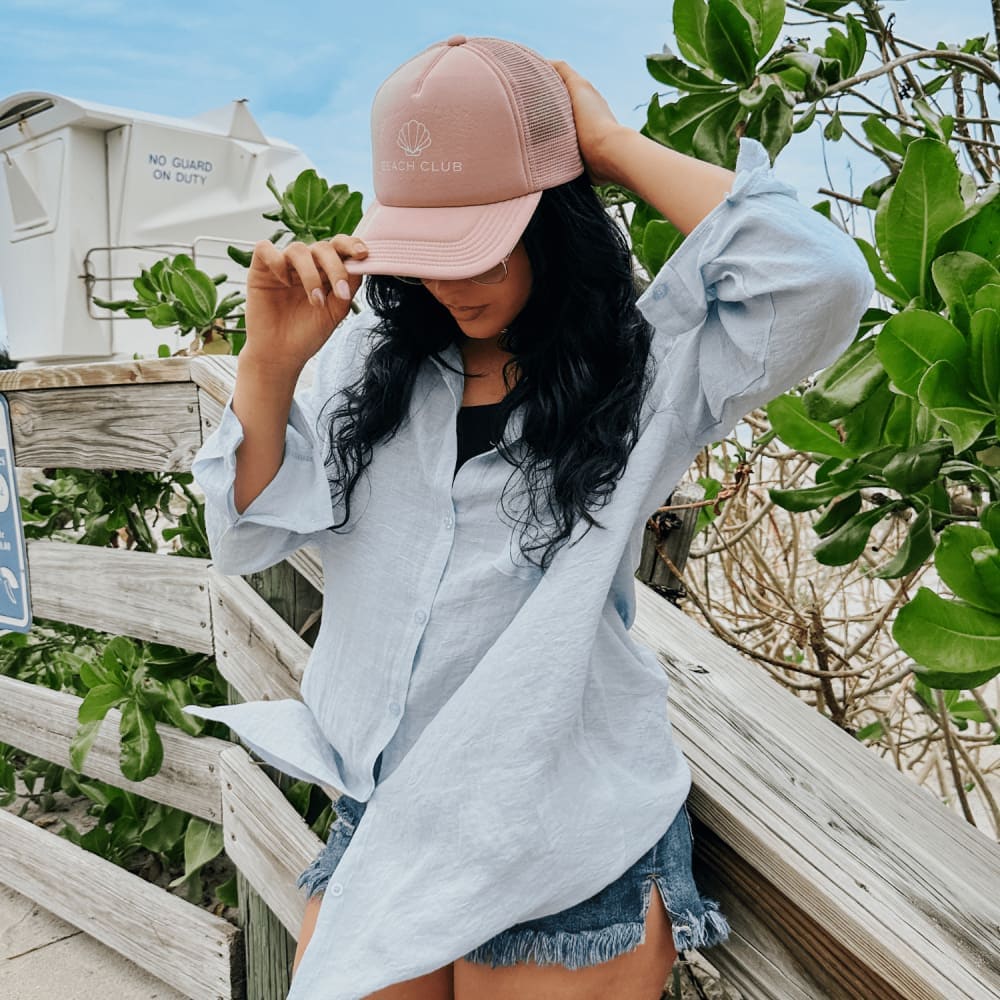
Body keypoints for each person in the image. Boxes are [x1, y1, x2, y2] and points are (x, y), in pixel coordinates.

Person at [182, 34, 873, 1000]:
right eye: (428, 249)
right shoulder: (366, 363)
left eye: (489, 243)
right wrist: (269, 364)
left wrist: (612, 146)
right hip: (391, 811)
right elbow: (244, 535)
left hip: (559, 817)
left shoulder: (648, 369)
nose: (455, 281)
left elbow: (824, 283)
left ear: (556, 221)